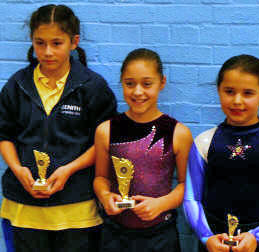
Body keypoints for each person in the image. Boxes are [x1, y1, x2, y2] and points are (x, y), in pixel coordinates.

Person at [0, 4, 117, 252]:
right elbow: (4, 135)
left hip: (77, 210)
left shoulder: (92, 87)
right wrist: (18, 169)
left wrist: (69, 169)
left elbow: (104, 143)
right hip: (23, 209)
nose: (47, 52)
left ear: (74, 42)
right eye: (40, 43)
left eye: (56, 43)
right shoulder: (17, 85)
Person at [183, 54, 259, 252]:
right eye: (229, 91)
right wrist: (207, 237)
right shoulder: (204, 142)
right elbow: (191, 199)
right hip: (216, 241)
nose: (237, 100)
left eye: (248, 93)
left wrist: (257, 236)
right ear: (219, 91)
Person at [94, 48, 193, 252]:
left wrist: (161, 204)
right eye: (130, 84)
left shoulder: (178, 133)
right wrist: (104, 196)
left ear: (162, 83)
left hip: (160, 235)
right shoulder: (106, 130)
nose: (138, 92)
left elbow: (187, 186)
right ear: (121, 82)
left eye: (147, 84)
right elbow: (100, 178)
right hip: (115, 235)